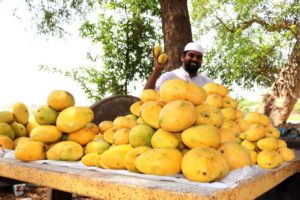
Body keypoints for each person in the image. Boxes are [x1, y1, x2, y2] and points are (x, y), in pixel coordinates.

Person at [144, 41, 212, 91]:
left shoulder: (207, 83)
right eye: (191, 55)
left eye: (198, 57)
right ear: (182, 57)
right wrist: (157, 70)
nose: (195, 59)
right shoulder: (169, 77)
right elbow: (147, 93)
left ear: (201, 61)